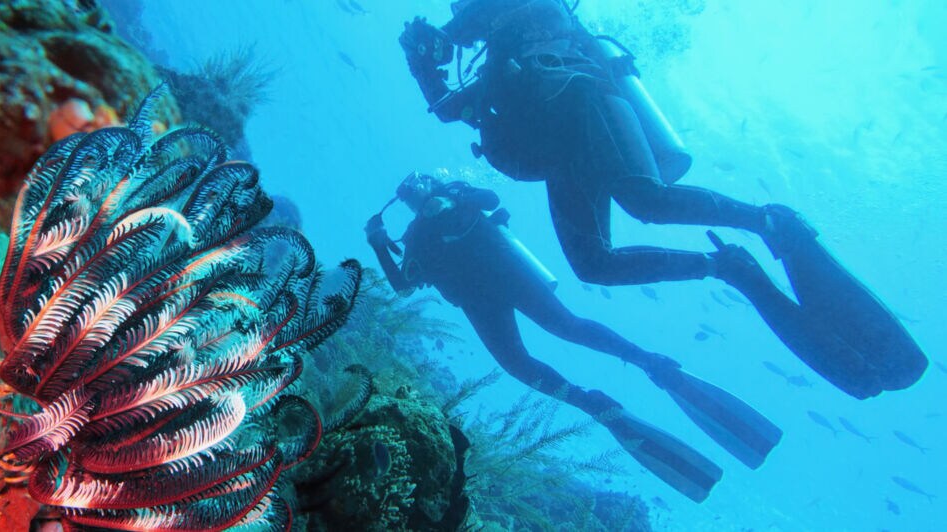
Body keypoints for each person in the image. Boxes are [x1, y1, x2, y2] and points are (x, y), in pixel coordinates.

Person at [397, 0, 927, 399]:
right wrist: (423, 67)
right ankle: (727, 269)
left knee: (647, 201)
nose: (459, 9)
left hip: (584, 98)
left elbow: (497, 14)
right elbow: (448, 109)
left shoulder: (535, 15)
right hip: (562, 156)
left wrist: (445, 35)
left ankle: (767, 222)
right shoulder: (495, 62)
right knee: (594, 265)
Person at [365, 172, 783, 502]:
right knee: (516, 365)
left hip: (508, 272)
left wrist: (456, 198)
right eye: (410, 195)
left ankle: (650, 362)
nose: (417, 195)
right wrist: (380, 244)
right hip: (478, 301)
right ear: (406, 204)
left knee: (567, 326)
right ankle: (589, 401)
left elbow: (491, 200)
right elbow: (403, 284)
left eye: (419, 186)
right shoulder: (415, 237)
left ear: (430, 183)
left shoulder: (456, 192)